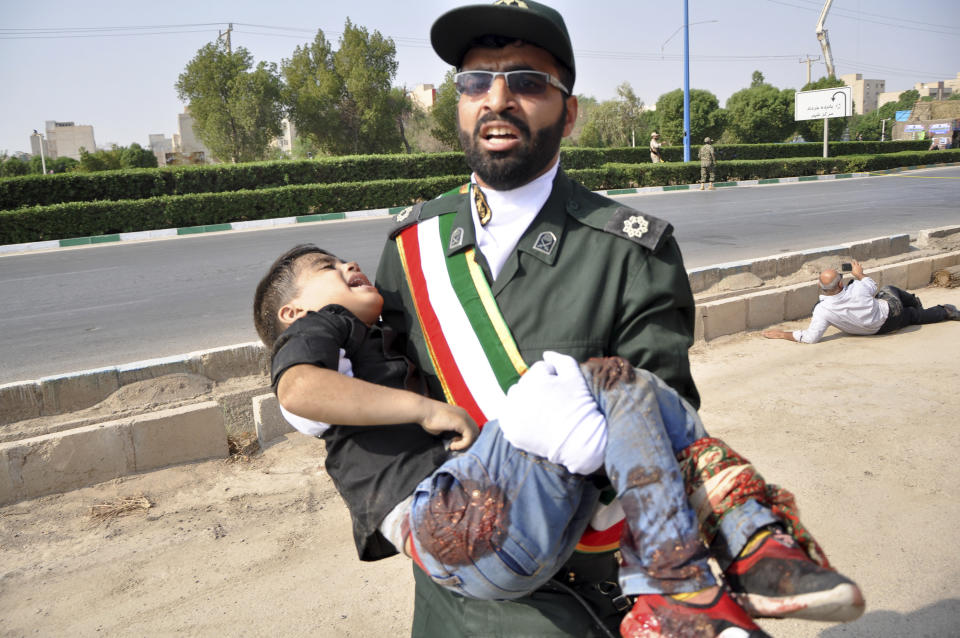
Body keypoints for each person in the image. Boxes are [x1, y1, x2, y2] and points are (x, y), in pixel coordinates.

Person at [373, 1, 863, 635]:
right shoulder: (412, 247)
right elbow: (380, 409)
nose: (497, 98)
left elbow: (667, 434)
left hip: (571, 596)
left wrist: (570, 449)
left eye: (526, 81)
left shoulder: (631, 251)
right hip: (447, 589)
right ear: (458, 103)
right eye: (475, 80)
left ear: (569, 112)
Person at [257, 245, 862, 638]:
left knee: (629, 388)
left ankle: (687, 578)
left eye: (344, 259)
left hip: (501, 553)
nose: (349, 265)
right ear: (293, 314)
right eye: (327, 270)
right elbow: (299, 391)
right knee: (584, 379)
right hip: (448, 524)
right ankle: (729, 548)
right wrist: (424, 408)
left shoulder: (376, 337)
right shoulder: (322, 329)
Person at [762, 259, 959, 344]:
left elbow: (811, 337)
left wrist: (782, 334)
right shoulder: (857, 287)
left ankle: (941, 311)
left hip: (873, 330)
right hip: (889, 314)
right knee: (890, 290)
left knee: (909, 316)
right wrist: (859, 274)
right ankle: (921, 304)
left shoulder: (822, 310)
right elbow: (873, 286)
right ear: (840, 285)